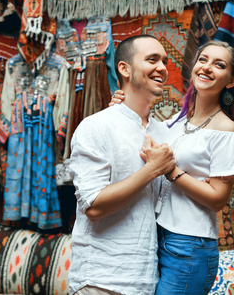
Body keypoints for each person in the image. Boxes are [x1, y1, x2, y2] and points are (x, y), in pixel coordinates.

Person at [112, 40, 234, 295]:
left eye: (219, 65)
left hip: (190, 246)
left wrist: (172, 171)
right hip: (160, 236)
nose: (207, 67)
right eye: (203, 60)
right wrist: (122, 106)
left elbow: (218, 198)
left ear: (230, 81)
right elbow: (144, 137)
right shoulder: (178, 121)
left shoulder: (226, 130)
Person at [68, 34, 176, 295]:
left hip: (147, 280)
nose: (162, 67)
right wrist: (151, 170)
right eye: (152, 59)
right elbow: (92, 205)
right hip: (101, 281)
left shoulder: (165, 133)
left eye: (164, 61)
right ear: (124, 69)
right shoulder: (97, 127)